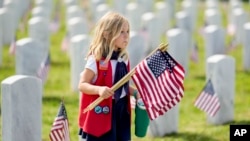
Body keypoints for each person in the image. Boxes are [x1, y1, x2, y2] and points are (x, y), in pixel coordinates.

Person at [78, 11, 140, 141]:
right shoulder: (96, 59)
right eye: (121, 32)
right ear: (107, 34)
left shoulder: (124, 59)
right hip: (102, 111)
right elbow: (82, 84)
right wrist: (99, 89)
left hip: (121, 109)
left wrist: (135, 92)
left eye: (127, 32)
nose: (126, 36)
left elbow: (121, 86)